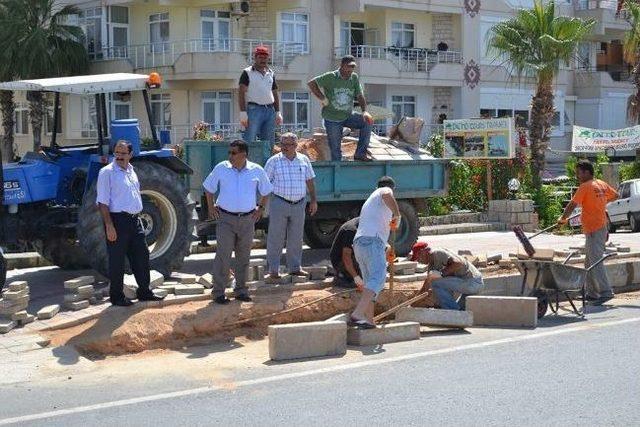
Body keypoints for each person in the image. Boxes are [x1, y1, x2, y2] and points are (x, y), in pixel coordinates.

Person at [203, 140, 273, 304]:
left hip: (248, 219)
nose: (230, 156)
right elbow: (208, 188)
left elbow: (266, 190)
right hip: (225, 219)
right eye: (229, 153)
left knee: (243, 257)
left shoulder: (256, 170)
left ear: (244, 154)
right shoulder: (222, 168)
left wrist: (261, 208)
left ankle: (241, 290)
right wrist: (210, 206)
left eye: (233, 153)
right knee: (223, 256)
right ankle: (219, 292)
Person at [96, 140, 164, 306]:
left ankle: (144, 291)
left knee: (142, 256)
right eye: (117, 153)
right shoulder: (107, 173)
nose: (119, 156)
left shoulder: (132, 171)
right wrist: (109, 226)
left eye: (123, 153)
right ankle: (117, 297)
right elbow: (102, 202)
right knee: (117, 260)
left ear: (130, 155)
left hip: (135, 220)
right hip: (117, 221)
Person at [558, 159, 618, 305]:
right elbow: (615, 195)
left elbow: (572, 205)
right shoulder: (601, 184)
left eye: (579, 173)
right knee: (589, 263)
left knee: (595, 262)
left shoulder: (585, 186)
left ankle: (605, 292)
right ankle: (592, 293)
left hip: (594, 230)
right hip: (599, 227)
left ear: (586, 172)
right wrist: (598, 205)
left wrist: (562, 219)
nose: (577, 176)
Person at [264, 132, 318, 281]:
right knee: (276, 237)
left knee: (296, 237)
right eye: (283, 144)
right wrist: (262, 205)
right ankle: (273, 270)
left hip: (299, 203)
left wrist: (313, 200)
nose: (285, 147)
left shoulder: (303, 160)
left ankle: (295, 268)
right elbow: (265, 184)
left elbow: (309, 181)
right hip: (279, 203)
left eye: (289, 144)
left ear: (295, 146)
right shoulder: (273, 161)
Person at [350, 176, 401, 328]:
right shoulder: (384, 191)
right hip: (372, 242)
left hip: (361, 244)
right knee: (378, 279)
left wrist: (386, 249)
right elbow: (387, 194)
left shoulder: (372, 201)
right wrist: (397, 214)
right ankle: (358, 314)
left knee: (370, 286)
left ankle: (368, 320)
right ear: (392, 188)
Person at [308, 55, 374, 161]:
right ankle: (337, 170)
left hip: (347, 115)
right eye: (348, 68)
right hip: (332, 119)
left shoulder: (354, 77)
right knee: (335, 149)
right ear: (342, 66)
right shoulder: (330, 76)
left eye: (352, 69)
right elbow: (311, 83)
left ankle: (360, 153)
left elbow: (360, 95)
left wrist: (364, 111)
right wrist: (322, 98)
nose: (350, 72)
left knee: (367, 121)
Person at [409, 242, 483, 310]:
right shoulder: (432, 265)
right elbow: (426, 287)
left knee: (436, 283)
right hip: (468, 287)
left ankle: (451, 310)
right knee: (461, 311)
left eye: (418, 257)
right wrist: (412, 303)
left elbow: (458, 264)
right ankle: (450, 310)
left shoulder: (437, 253)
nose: (418, 261)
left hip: (473, 282)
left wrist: (441, 274)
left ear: (423, 251)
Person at [239, 45, 283, 160]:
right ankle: (244, 164)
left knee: (269, 142)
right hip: (254, 110)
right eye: (260, 57)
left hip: (270, 110)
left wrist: (278, 111)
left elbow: (274, 93)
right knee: (249, 139)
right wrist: (243, 112)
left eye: (265, 57)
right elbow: (241, 92)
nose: (263, 60)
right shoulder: (247, 72)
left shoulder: (271, 73)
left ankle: (267, 166)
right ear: (255, 57)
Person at [329, 217, 363, 289]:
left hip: (355, 255)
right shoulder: (351, 231)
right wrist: (356, 278)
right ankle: (342, 276)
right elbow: (346, 256)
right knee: (357, 282)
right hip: (340, 261)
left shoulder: (369, 226)